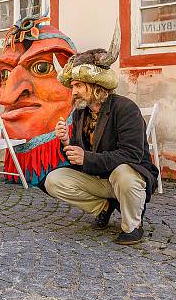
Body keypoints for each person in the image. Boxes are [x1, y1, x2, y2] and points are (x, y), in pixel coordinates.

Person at [44, 31, 160, 245]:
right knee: (54, 180)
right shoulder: (81, 112)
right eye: (72, 87)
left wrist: (86, 158)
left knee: (123, 172)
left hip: (127, 177)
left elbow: (132, 154)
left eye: (78, 86)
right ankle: (104, 208)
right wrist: (66, 142)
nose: (73, 92)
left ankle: (133, 225)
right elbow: (80, 154)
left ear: (95, 85)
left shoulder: (125, 109)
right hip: (99, 179)